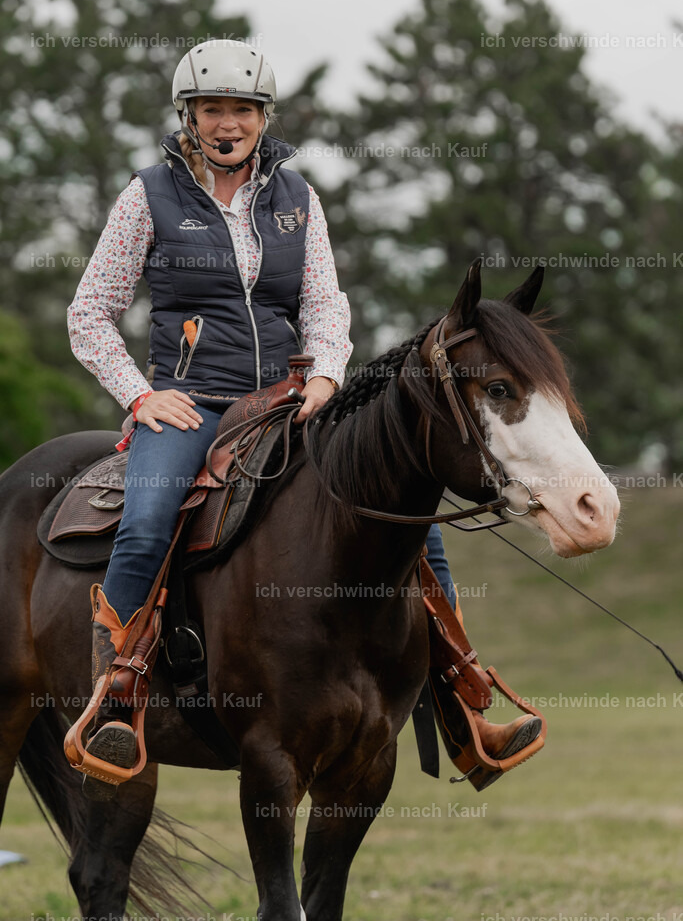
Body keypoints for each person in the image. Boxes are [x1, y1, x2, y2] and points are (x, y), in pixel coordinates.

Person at [64, 40, 537, 799]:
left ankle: (463, 706)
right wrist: (140, 396)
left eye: (243, 110)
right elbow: (90, 313)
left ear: (264, 118)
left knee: (418, 528)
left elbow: (324, 304)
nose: (228, 124)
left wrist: (324, 376)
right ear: (188, 117)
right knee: (147, 523)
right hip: (192, 405)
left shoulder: (297, 197)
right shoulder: (147, 196)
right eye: (212, 109)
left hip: (289, 401)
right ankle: (115, 701)